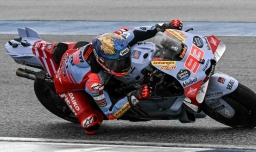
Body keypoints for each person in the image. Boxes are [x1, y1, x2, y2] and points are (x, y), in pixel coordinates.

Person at [54, 20, 183, 135]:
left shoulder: (119, 41)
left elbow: (140, 32)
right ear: (103, 61)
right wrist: (135, 95)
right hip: (65, 83)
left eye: (125, 60)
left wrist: (167, 26)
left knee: (126, 30)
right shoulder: (94, 82)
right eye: (117, 63)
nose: (124, 65)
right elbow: (110, 112)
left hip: (79, 52)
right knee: (91, 124)